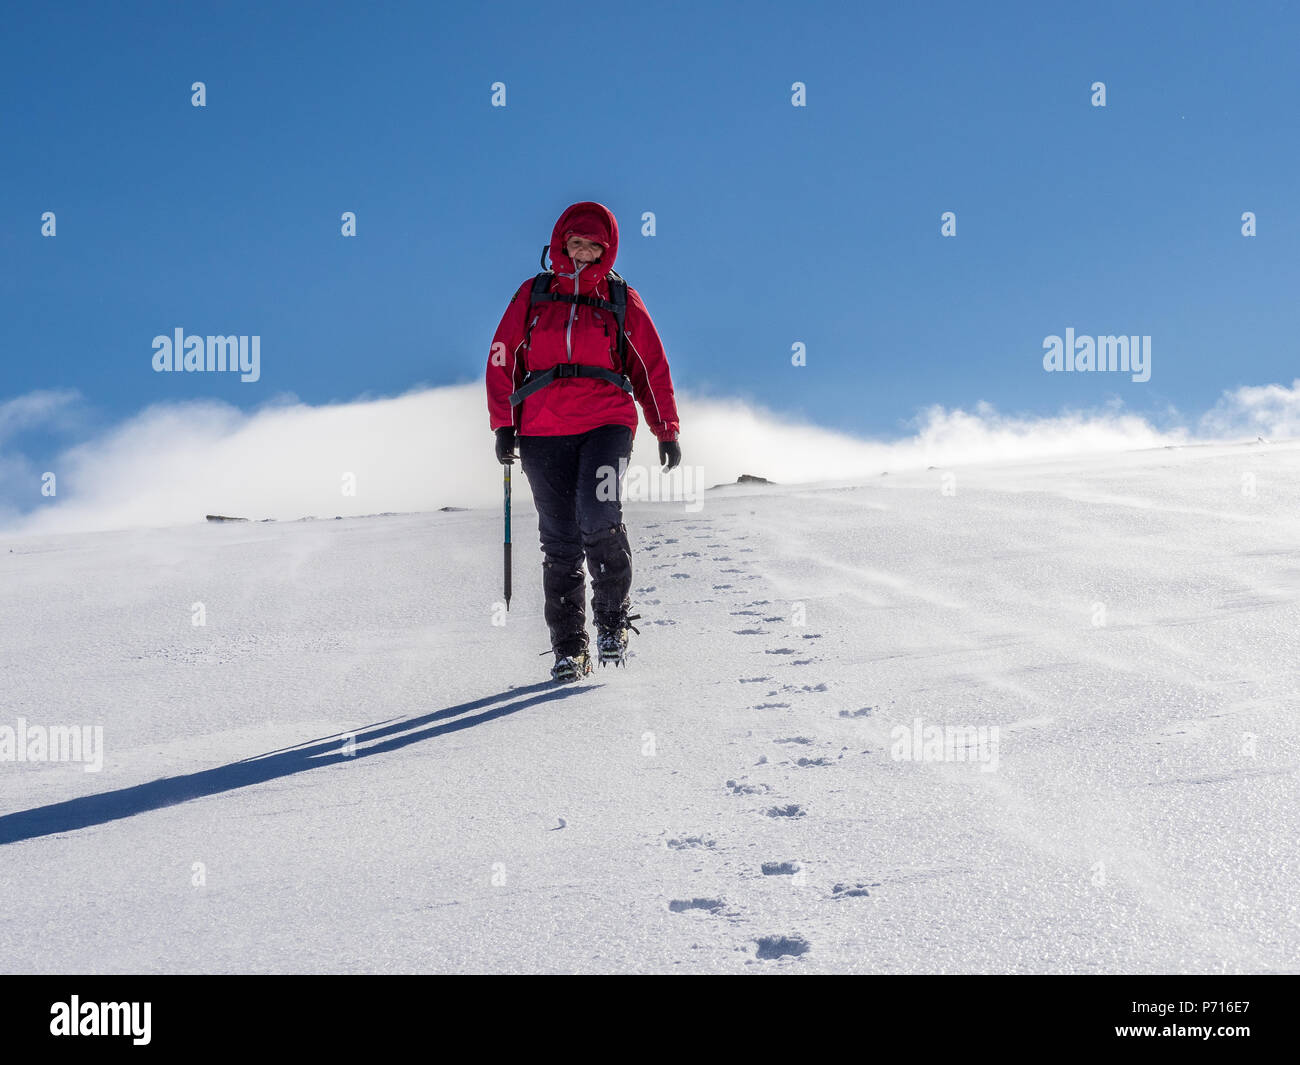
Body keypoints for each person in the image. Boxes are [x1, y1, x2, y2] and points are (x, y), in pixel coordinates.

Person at [486, 201, 681, 682]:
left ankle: (612, 623)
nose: (584, 251)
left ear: (607, 249)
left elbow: (650, 366)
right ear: (561, 242)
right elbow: (502, 357)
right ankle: (569, 649)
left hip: (606, 424)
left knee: (599, 517)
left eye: (595, 244)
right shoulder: (532, 294)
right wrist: (503, 424)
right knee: (560, 542)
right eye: (577, 241)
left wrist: (666, 428)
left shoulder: (621, 299)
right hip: (540, 430)